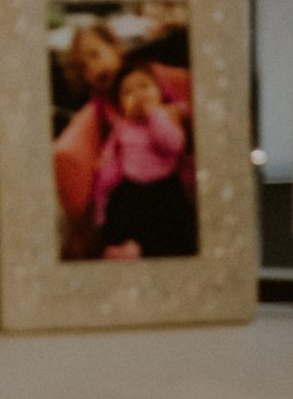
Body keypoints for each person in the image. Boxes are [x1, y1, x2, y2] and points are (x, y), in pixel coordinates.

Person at [51, 23, 192, 260]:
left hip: (168, 169)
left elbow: (177, 111)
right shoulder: (101, 105)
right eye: (85, 67)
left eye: (96, 55)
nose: (94, 68)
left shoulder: (146, 77)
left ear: (115, 47)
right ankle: (126, 246)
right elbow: (113, 141)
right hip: (131, 178)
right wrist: (105, 173)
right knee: (123, 207)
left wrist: (163, 113)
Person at [91, 64, 198, 259]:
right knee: (120, 207)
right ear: (120, 106)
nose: (138, 94)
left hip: (164, 184)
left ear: (159, 92)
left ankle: (149, 247)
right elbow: (112, 147)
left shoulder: (166, 116)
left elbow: (173, 145)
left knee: (168, 219)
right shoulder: (122, 125)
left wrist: (154, 114)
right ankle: (125, 246)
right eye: (127, 92)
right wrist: (104, 160)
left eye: (144, 86)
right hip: (131, 185)